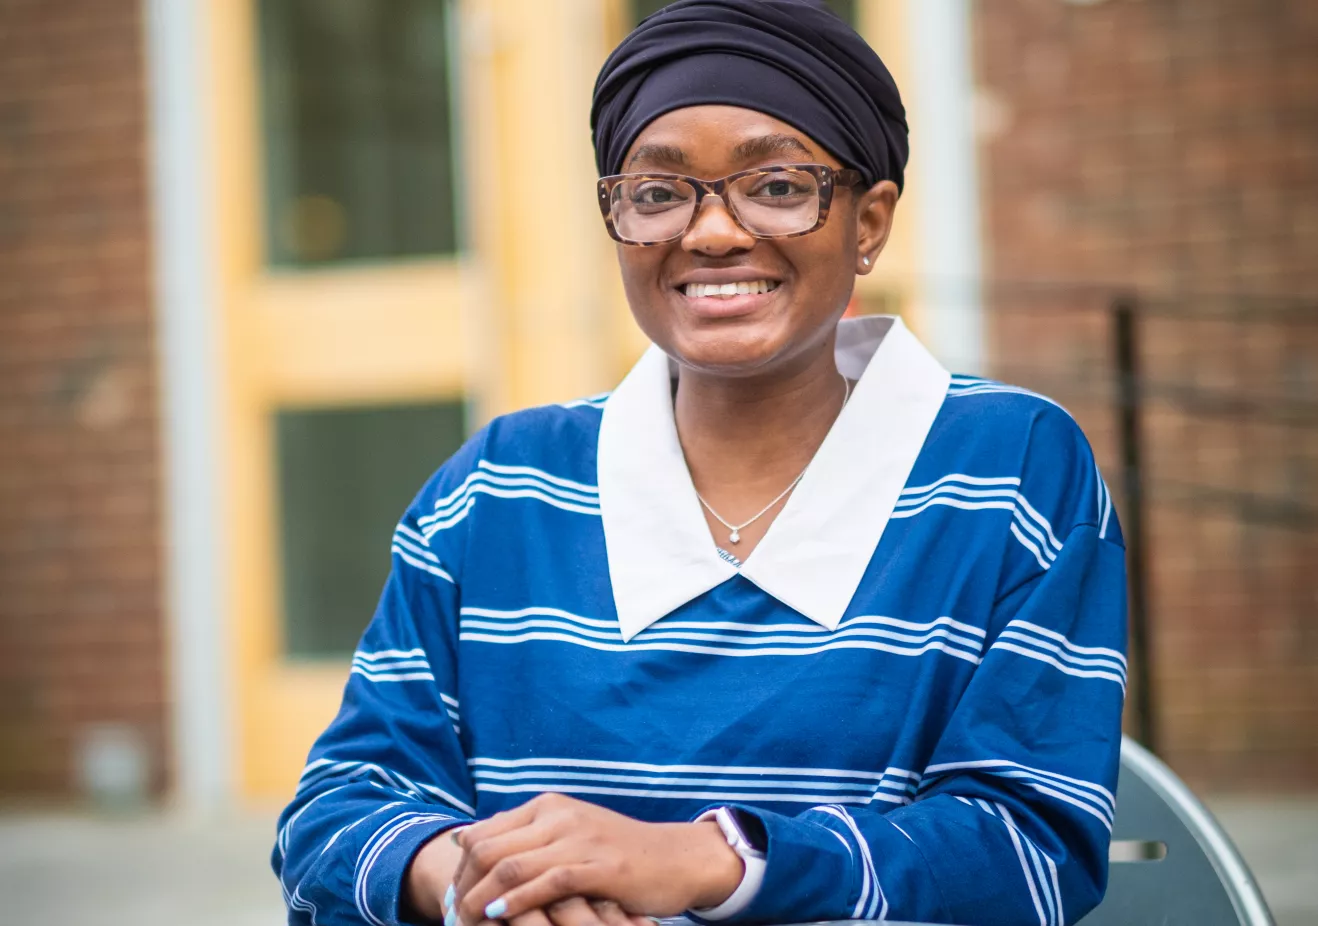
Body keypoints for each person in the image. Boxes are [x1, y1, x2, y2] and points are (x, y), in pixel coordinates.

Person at [272, 2, 1128, 924]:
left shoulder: (1011, 471)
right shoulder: (496, 490)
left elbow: (1029, 848)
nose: (712, 233)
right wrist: (487, 885)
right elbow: (334, 813)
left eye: (777, 185)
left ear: (870, 223)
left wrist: (713, 860)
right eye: (656, 193)